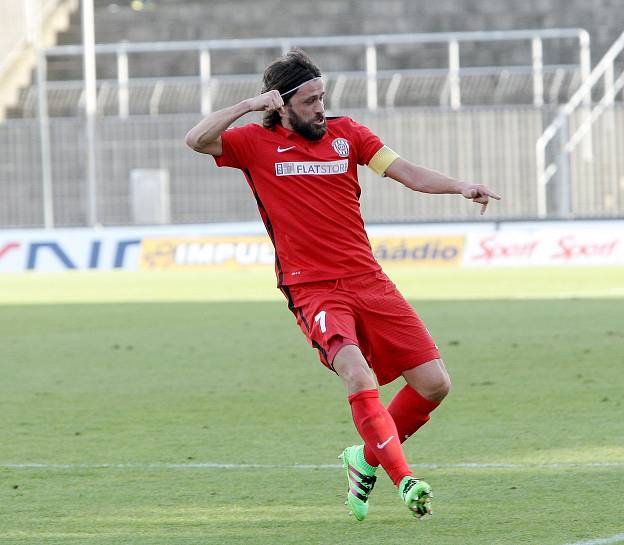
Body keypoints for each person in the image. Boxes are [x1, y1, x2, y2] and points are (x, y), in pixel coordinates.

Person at [185, 49, 500, 520]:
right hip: (312, 287)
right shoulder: (252, 142)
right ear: (282, 105)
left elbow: (407, 173)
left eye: (322, 97)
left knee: (434, 384)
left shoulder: (347, 135)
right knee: (358, 374)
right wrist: (250, 105)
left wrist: (461, 186)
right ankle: (404, 478)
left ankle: (362, 458)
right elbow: (196, 139)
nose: (319, 107)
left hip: (368, 279)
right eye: (309, 100)